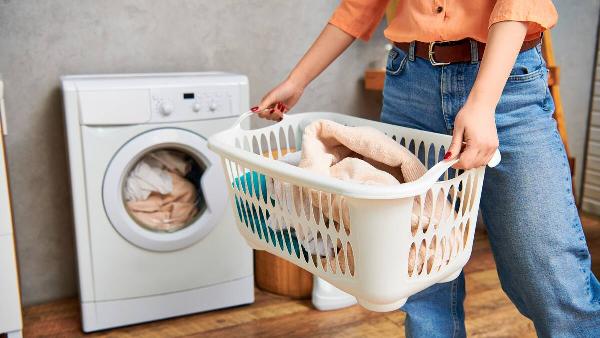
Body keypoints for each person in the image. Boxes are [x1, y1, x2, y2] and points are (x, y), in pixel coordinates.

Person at [250, 1, 600, 337]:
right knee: (420, 275)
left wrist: (481, 103)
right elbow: (358, 4)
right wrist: (298, 79)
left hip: (508, 86)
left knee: (550, 278)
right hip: (410, 86)